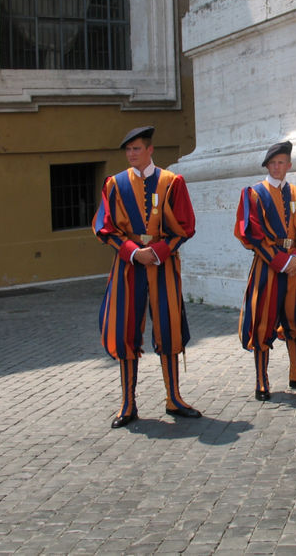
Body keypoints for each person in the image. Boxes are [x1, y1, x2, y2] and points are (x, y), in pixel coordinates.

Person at [93, 126, 201, 428]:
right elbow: (104, 227)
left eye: (136, 149)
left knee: (168, 327)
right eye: (128, 150)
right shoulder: (114, 184)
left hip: (162, 264)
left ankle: (174, 398)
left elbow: (186, 225)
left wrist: (159, 251)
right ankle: (128, 403)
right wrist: (131, 251)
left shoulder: (171, 182)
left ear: (150, 150)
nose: (131, 154)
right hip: (128, 267)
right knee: (125, 330)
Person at [234, 141, 296, 401]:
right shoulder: (254, 194)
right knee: (262, 320)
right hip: (268, 267)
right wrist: (280, 261)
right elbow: (251, 233)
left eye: (281, 162)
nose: (277, 167)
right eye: (273, 163)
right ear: (267, 166)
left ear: (289, 165)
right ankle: (261, 380)